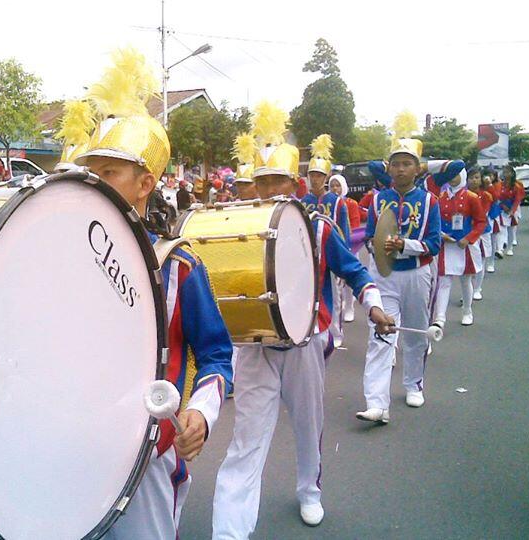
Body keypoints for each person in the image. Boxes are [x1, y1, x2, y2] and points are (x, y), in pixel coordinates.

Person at [74, 47, 233, 540]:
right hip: (70, 443)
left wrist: (201, 415)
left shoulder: (178, 266)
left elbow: (216, 355)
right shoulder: (55, 253)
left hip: (145, 450)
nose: (90, 182)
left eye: (108, 172)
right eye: (88, 170)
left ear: (146, 183)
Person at [212, 101, 393, 534]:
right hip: (256, 347)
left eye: (277, 180)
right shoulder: (239, 227)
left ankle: (309, 491)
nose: (268, 188)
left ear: (293, 184)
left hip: (305, 344)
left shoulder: (319, 227)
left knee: (309, 427)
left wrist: (373, 304)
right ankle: (230, 529)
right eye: (261, 181)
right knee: (246, 442)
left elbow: (354, 270)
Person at [357, 138, 441, 423]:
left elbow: (434, 244)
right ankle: (377, 403)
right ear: (388, 168)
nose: (401, 169)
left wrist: (405, 245)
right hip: (385, 275)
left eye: (407, 164)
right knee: (381, 333)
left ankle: (413, 384)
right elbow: (369, 235)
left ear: (418, 169)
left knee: (415, 333)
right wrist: (378, 248)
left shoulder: (430, 201)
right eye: (396, 164)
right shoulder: (379, 199)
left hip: (417, 274)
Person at [300, 134, 350, 347]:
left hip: (331, 253)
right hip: (310, 257)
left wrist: (343, 258)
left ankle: (336, 334)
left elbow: (344, 231)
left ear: (326, 177)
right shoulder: (303, 202)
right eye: (312, 175)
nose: (315, 179)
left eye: (319, 175)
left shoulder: (337, 202)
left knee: (336, 299)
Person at [431, 167, 486, 328]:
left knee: (465, 280)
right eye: (450, 175)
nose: (452, 178)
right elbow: (436, 220)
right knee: (444, 282)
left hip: (464, 246)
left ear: (462, 176)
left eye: (455, 175)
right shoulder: (441, 197)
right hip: (446, 245)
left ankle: (467, 311)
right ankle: (439, 318)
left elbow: (481, 222)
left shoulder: (471, 197)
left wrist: (468, 239)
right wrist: (441, 234)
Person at [329, 174, 365, 322]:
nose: (335, 188)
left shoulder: (350, 203)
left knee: (349, 279)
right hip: (331, 245)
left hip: (349, 246)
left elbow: (354, 226)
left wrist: (346, 246)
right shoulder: (328, 203)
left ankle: (349, 306)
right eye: (332, 185)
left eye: (338, 185)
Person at [469, 168, 494, 297]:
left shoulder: (485, 195)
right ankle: (467, 291)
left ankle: (477, 289)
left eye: (477, 177)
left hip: (483, 232)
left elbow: (482, 215)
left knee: (482, 260)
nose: (474, 180)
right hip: (468, 233)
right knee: (469, 262)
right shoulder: (463, 194)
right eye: (471, 177)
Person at [498, 164, 524, 256]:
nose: (505, 174)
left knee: (511, 230)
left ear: (512, 173)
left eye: (507, 172)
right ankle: (500, 249)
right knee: (502, 230)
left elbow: (518, 199)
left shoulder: (517, 185)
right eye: (504, 172)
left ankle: (510, 248)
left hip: (513, 209)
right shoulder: (500, 185)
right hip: (502, 210)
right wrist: (502, 205)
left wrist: (512, 211)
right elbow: (497, 197)